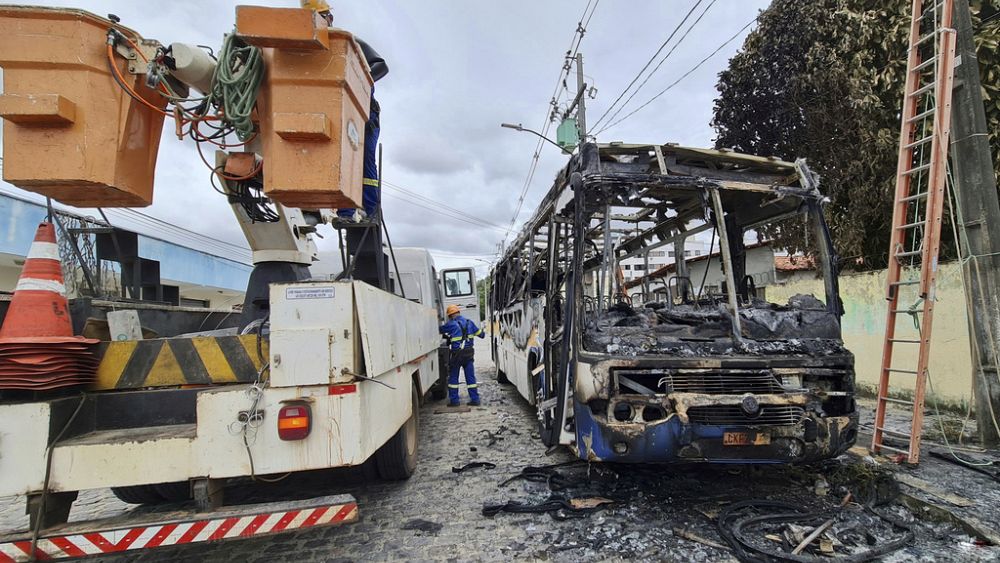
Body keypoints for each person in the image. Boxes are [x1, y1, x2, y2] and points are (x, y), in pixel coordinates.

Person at [303, 1, 388, 219]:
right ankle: (345, 211)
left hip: (364, 115)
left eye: (323, 17)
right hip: (334, 114)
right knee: (339, 161)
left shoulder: (346, 42)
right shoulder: (307, 50)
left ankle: (371, 210)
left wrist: (358, 82)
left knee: (364, 160)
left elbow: (381, 66)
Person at [440, 304, 485, 406]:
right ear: (458, 312)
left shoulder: (451, 324)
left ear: (450, 315)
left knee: (453, 378)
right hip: (469, 354)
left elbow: (440, 329)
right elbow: (482, 335)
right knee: (470, 377)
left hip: (457, 355)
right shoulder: (470, 323)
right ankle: (475, 399)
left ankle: (454, 401)